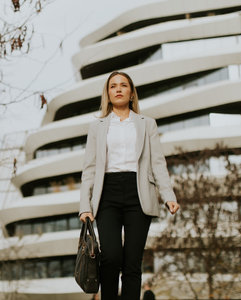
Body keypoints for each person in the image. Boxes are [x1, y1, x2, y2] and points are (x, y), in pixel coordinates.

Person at [79, 71, 179, 300]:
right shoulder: (97, 126)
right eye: (113, 86)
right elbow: (90, 168)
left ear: (132, 93)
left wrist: (168, 195)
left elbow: (157, 163)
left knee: (132, 262)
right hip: (108, 195)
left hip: (139, 193)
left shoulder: (147, 124)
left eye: (124, 85)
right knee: (111, 257)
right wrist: (85, 205)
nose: (118, 89)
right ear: (108, 93)